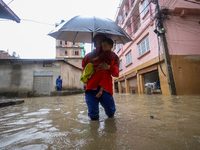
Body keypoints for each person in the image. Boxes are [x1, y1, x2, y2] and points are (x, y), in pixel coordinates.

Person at [82, 34, 119, 120]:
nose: (98, 41)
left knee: (110, 112)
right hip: (91, 87)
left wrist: (109, 67)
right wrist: (85, 75)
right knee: (93, 115)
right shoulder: (88, 56)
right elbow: (83, 67)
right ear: (94, 42)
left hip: (105, 87)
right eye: (97, 39)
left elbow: (116, 73)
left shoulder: (112, 56)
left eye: (101, 39)